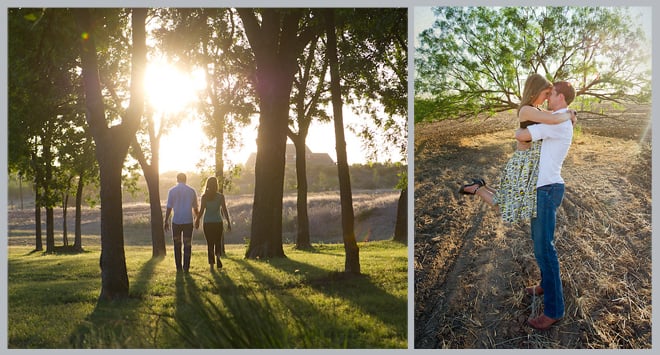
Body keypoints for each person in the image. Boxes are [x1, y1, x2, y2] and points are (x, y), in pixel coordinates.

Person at [458, 73, 575, 224]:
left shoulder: (536, 110)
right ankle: (478, 189)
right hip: (523, 162)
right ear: (535, 91)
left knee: (510, 200)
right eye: (546, 94)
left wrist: (569, 115)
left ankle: (480, 186)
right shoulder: (526, 110)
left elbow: (554, 117)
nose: (547, 98)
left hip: (529, 162)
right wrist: (569, 115)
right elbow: (554, 119)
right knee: (507, 207)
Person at [515, 81, 576, 330]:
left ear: (560, 97)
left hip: (547, 189)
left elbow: (522, 135)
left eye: (551, 95)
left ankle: (554, 310)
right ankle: (545, 284)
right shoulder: (560, 118)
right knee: (540, 244)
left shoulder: (559, 121)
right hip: (544, 188)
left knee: (545, 250)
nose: (548, 99)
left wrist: (524, 129)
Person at [195, 176, 232, 272]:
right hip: (218, 222)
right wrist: (228, 222)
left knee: (210, 243)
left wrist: (197, 220)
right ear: (216, 185)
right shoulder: (220, 196)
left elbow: (202, 210)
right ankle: (218, 257)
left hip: (207, 223)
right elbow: (224, 210)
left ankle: (211, 265)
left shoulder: (204, 197)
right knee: (218, 242)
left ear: (207, 185)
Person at [164, 173, 199, 273]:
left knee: (177, 245)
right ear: (186, 179)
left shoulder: (172, 191)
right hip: (188, 221)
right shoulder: (192, 191)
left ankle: (178, 267)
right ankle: (186, 267)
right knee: (187, 245)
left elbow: (169, 207)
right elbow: (195, 207)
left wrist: (166, 220)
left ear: (177, 179)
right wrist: (197, 218)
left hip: (176, 222)